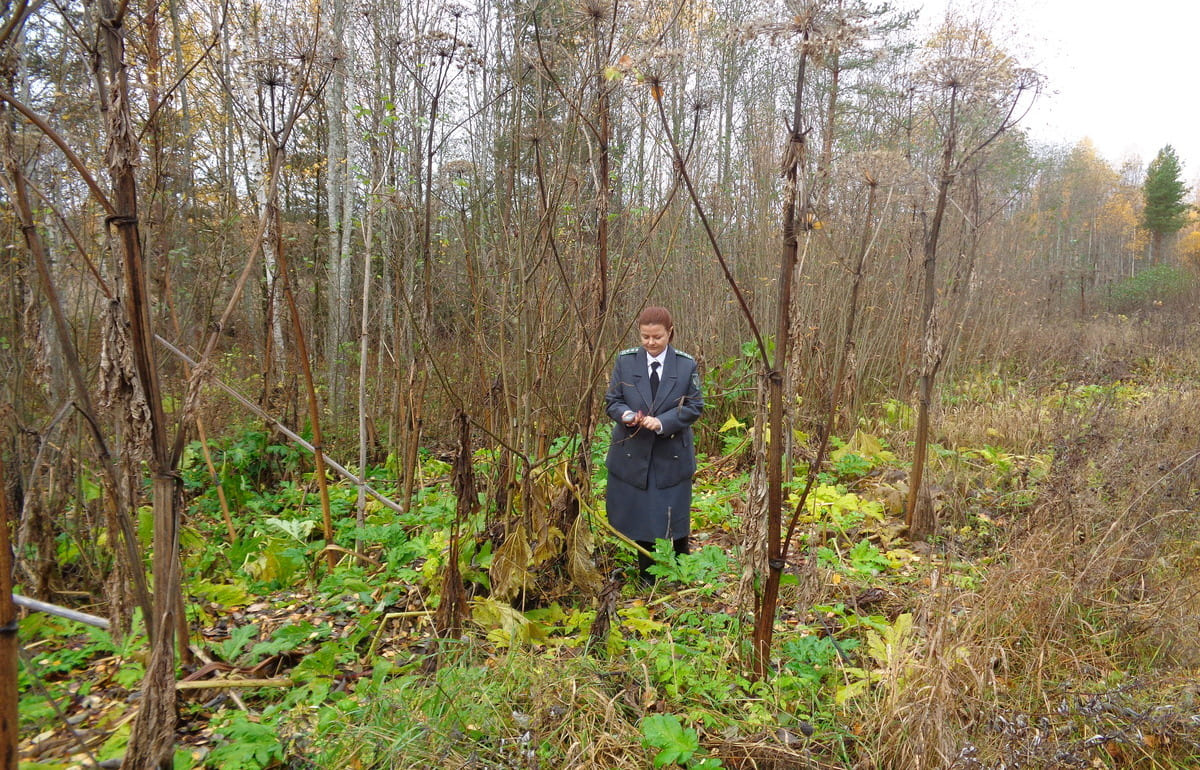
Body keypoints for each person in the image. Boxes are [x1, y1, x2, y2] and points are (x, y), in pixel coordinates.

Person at [604, 306, 703, 583]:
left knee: (675, 513)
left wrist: (662, 423)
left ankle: (682, 570)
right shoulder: (626, 362)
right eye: (645, 336)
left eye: (657, 337)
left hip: (671, 455)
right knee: (640, 515)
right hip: (632, 453)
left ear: (669, 334)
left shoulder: (685, 365)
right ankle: (646, 576)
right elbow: (613, 400)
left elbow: (695, 406)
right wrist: (625, 415)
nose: (650, 343)